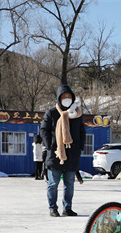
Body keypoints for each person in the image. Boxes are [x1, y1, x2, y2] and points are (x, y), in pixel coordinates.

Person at [40, 84, 85, 217]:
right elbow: (43, 130)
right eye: (64, 96)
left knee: (69, 184)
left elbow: (82, 131)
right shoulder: (52, 113)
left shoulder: (77, 114)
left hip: (72, 154)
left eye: (69, 96)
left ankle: (67, 208)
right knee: (53, 183)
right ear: (59, 98)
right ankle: (53, 208)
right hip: (56, 153)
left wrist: (80, 147)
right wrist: (50, 146)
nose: (67, 98)